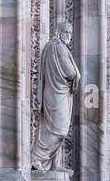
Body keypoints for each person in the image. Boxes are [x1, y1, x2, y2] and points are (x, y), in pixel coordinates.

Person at [32, 20, 80, 171]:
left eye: (70, 33)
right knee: (58, 130)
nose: (69, 36)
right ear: (59, 32)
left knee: (58, 130)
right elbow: (70, 72)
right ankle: (36, 158)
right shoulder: (57, 47)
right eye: (66, 32)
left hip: (59, 93)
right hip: (55, 94)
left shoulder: (57, 47)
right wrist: (77, 75)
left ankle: (55, 164)